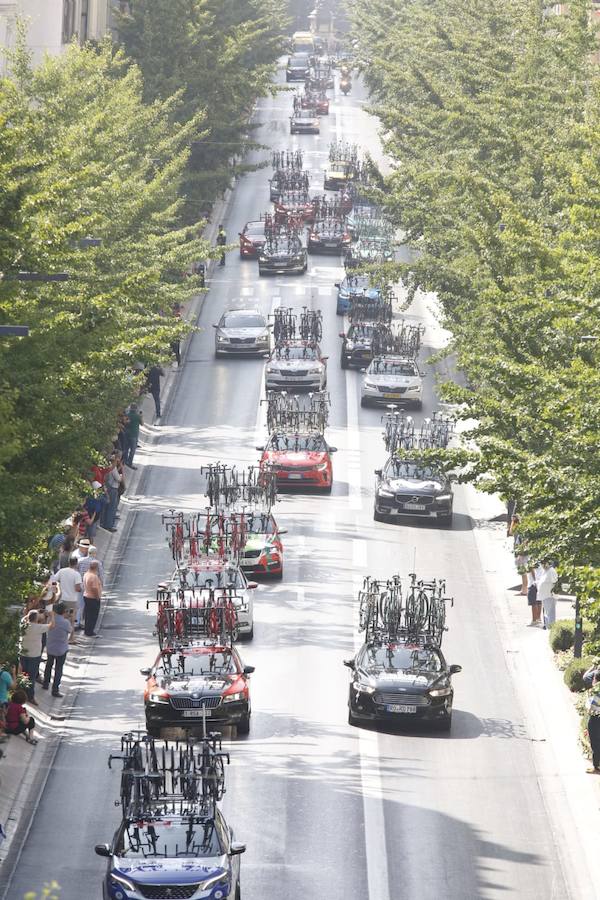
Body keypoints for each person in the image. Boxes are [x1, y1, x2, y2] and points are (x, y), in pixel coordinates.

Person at [43, 604, 73, 698]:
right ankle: (55, 689)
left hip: (50, 647)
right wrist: (71, 620)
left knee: (49, 665)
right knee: (58, 669)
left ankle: (46, 683)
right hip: (61, 649)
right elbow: (70, 630)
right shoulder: (66, 622)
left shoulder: (51, 620)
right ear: (64, 612)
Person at [19, 611, 49, 704]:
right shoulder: (38, 627)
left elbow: (23, 619)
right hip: (34, 655)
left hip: (23, 654)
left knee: (23, 675)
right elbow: (52, 625)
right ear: (36, 618)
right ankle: (30, 697)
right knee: (31, 677)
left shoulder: (23, 625)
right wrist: (51, 616)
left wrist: (28, 616)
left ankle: (22, 694)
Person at [53, 556, 83, 625]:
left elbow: (53, 580)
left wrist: (56, 589)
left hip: (63, 598)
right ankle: (71, 634)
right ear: (76, 563)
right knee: (71, 619)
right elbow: (77, 588)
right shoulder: (76, 574)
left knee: (62, 617)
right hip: (72, 600)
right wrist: (81, 588)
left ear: (68, 562)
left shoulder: (62, 571)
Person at [584, 665, 600, 774]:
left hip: (595, 719)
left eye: (594, 679)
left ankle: (596, 767)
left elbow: (590, 707)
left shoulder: (596, 694)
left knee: (595, 743)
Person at [535, 559, 559, 628]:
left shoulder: (551, 571)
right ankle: (547, 627)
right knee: (547, 614)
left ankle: (551, 629)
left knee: (550, 615)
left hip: (550, 596)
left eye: (544, 563)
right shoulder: (545, 571)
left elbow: (555, 582)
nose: (542, 565)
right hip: (545, 596)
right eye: (542, 564)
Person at [82, 561, 103, 637]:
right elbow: (94, 588)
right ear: (96, 568)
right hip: (93, 598)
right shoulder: (94, 576)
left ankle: (87, 630)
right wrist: (97, 597)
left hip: (86, 596)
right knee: (93, 616)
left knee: (88, 615)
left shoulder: (86, 574)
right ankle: (90, 631)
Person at [509, 514, 528, 595]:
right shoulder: (516, 527)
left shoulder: (521, 531)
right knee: (522, 572)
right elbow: (510, 532)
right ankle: (524, 589)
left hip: (521, 553)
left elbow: (524, 542)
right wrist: (513, 522)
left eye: (515, 520)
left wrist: (520, 554)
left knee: (523, 572)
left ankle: (524, 590)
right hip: (518, 551)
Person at [102, 457, 123, 532]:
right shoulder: (113, 469)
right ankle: (108, 525)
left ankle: (104, 523)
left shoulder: (108, 467)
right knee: (111, 508)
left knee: (107, 507)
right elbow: (119, 479)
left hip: (108, 488)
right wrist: (121, 474)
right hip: (113, 489)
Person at [124, 404, 143, 468]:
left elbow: (125, 423)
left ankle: (125, 461)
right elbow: (142, 424)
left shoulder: (127, 415)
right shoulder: (137, 416)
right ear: (136, 409)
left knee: (126, 448)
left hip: (126, 434)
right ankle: (130, 463)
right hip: (134, 435)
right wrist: (141, 417)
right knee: (132, 450)